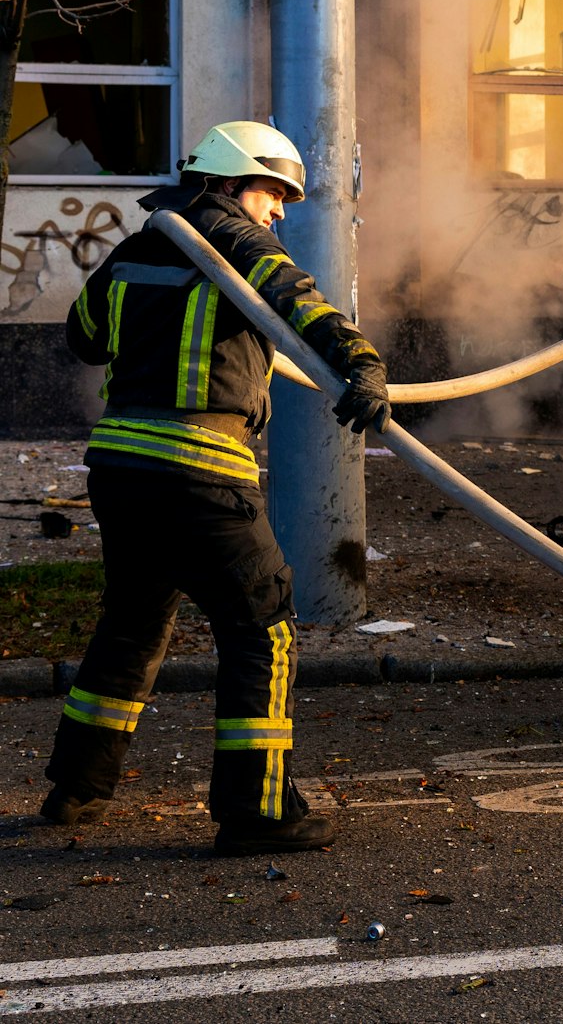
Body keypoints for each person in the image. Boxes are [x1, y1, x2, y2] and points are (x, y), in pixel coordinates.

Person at [43, 120, 392, 856]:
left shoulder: (133, 249)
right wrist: (363, 363)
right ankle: (258, 811)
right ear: (232, 182)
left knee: (132, 623)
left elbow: (83, 337)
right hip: (199, 469)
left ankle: (76, 787)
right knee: (263, 626)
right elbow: (304, 305)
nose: (280, 212)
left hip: (119, 470)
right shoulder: (242, 244)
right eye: (273, 192)